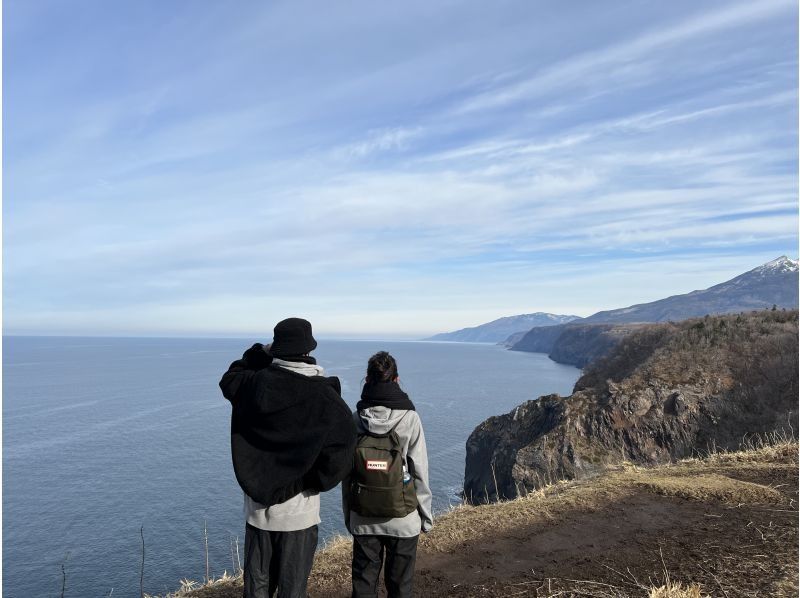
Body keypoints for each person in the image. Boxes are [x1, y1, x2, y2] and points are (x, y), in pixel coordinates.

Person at [219, 317, 357, 598]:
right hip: (300, 513)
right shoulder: (326, 398)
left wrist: (260, 352)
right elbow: (340, 456)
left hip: (258, 512)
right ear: (308, 351)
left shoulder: (253, 384)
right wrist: (310, 481)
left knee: (256, 590)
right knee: (292, 592)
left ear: (276, 348)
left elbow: (230, 378)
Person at [342, 351, 433, 598]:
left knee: (363, 586)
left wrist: (350, 515)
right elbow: (420, 470)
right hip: (404, 519)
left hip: (364, 518)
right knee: (400, 588)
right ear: (396, 380)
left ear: (367, 379)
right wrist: (425, 517)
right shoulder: (410, 418)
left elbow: (347, 475)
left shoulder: (355, 419)